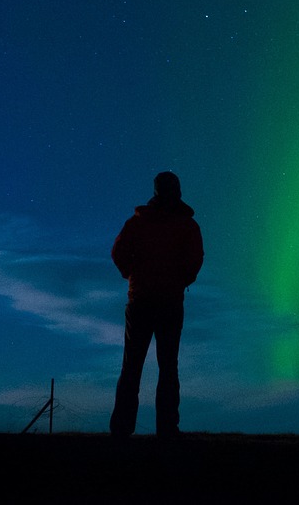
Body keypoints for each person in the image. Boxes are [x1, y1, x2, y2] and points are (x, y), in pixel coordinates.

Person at [109, 171, 204, 438]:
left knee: (132, 366)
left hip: (140, 300)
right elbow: (196, 258)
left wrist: (133, 275)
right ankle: (167, 428)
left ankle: (122, 429)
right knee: (167, 366)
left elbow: (118, 252)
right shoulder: (186, 226)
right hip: (169, 302)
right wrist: (181, 279)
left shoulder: (138, 223)